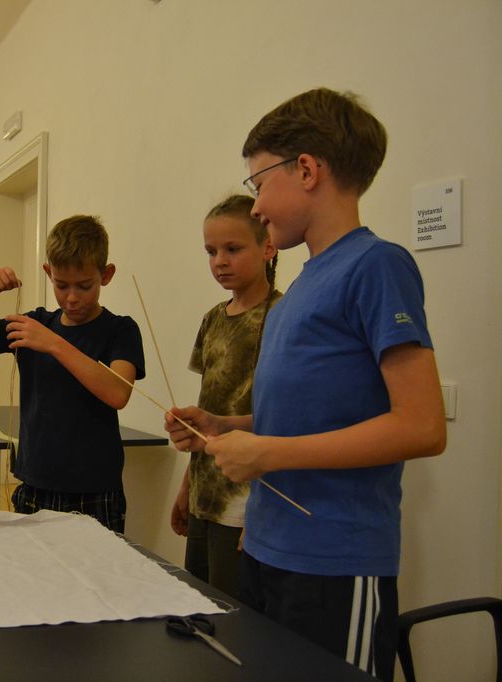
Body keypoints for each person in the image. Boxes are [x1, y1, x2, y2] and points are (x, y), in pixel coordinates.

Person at [164, 88, 447, 680]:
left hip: (334, 564)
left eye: (259, 183)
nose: (257, 206)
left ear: (308, 171)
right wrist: (225, 426)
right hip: (266, 550)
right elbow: (302, 419)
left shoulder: (376, 264)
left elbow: (422, 426)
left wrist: (268, 453)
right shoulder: (297, 292)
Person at [0, 215, 145, 533]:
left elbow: (117, 393)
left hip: (94, 487)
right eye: (61, 285)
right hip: (35, 481)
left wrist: (53, 343)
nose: (71, 297)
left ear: (106, 275)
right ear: (48, 273)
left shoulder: (120, 330)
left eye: (84, 286)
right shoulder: (34, 324)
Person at [170, 194, 281, 598]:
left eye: (233, 249)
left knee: (236, 615)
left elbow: (286, 421)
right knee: (198, 605)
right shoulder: (213, 319)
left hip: (247, 501)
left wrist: (263, 512)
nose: (220, 261)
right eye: (211, 251)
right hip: (206, 493)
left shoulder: (281, 317)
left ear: (268, 246)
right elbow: (209, 410)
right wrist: (187, 486)